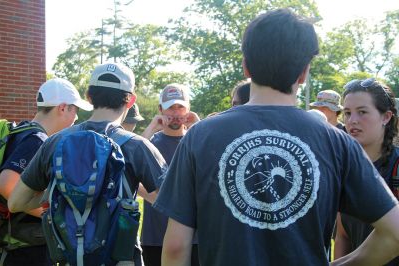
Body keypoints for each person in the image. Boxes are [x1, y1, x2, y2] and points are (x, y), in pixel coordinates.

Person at [152, 9, 399, 266]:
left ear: (245, 67)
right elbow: (395, 233)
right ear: (303, 73)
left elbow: (175, 246)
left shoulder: (199, 136)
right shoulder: (337, 142)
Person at [8, 62, 167, 266]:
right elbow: (175, 205)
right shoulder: (137, 147)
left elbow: (15, 203)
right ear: (131, 100)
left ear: (89, 96)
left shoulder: (55, 143)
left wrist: (56, 195)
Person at [0, 78, 93, 265]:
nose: (76, 118)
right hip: (25, 250)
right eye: (75, 110)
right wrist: (54, 213)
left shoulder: (21, 132)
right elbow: (6, 183)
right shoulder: (37, 140)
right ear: (63, 108)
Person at [334, 78, 399, 265]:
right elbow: (343, 236)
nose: (352, 120)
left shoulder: (396, 166)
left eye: (362, 112)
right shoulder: (342, 169)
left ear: (386, 117)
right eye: (347, 113)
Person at [140, 84, 199, 266]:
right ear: (160, 110)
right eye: (170, 107)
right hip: (155, 236)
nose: (175, 113)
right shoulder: (150, 142)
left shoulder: (195, 140)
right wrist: (150, 128)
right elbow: (132, 176)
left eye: (180, 107)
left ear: (188, 110)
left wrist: (200, 126)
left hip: (194, 237)